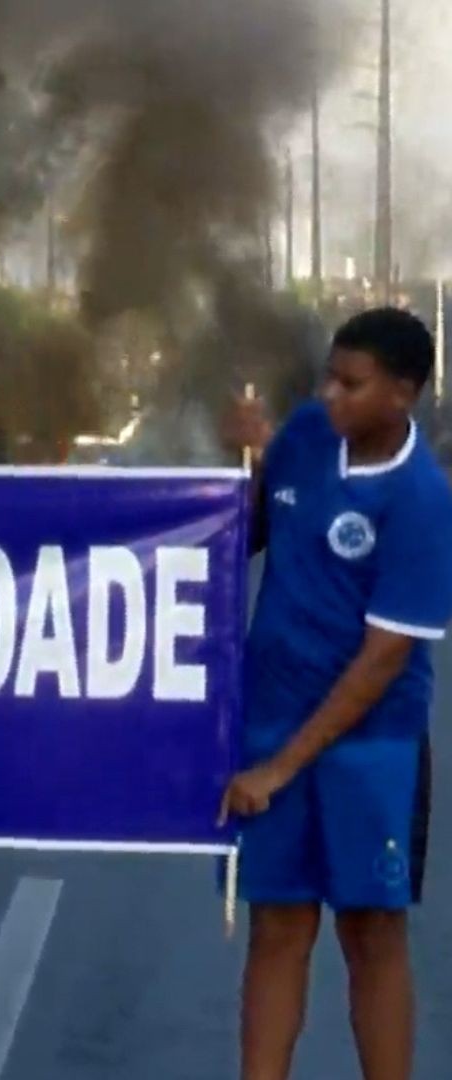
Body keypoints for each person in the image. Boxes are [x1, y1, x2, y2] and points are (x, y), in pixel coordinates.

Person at [220, 306, 452, 1080]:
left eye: (351, 384)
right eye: (329, 375)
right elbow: (249, 536)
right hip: (270, 721)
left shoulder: (421, 500)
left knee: (371, 934)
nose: (329, 395)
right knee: (277, 928)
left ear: (402, 395)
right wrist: (246, 466)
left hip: (370, 750)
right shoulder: (308, 440)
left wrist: (281, 769)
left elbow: (384, 660)